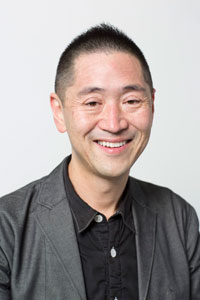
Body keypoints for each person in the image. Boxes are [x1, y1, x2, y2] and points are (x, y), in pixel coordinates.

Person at [0, 24, 199, 300]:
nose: (114, 124)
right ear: (59, 112)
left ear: (152, 103)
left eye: (131, 100)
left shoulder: (180, 219)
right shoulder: (7, 227)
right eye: (93, 103)